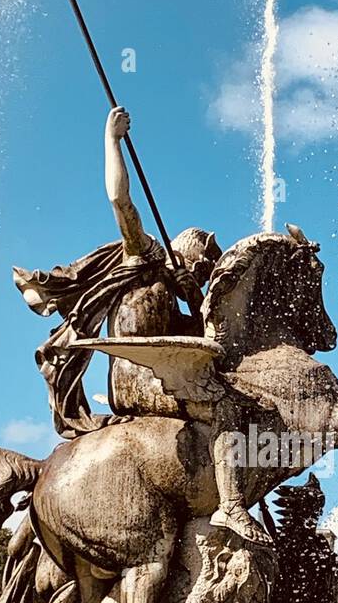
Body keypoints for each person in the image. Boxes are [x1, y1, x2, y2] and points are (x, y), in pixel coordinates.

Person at [13, 107, 221, 436]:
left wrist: (196, 302)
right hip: (137, 382)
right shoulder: (144, 256)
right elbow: (119, 199)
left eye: (202, 278)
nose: (200, 279)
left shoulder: (176, 309)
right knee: (226, 410)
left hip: (160, 380)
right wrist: (112, 140)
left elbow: (208, 347)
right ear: (185, 256)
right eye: (201, 271)